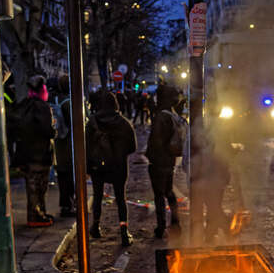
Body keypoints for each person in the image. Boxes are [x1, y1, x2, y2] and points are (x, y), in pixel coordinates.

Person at [86, 91, 137, 246]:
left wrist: (90, 165)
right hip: (118, 166)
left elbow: (86, 146)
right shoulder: (123, 123)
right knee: (121, 199)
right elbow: (132, 147)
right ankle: (123, 230)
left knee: (98, 196)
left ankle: (95, 225)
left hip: (97, 167)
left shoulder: (92, 122)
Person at [13, 75, 55, 227]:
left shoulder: (23, 105)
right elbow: (49, 132)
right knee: (39, 188)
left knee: (31, 187)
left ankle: (38, 213)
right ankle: (36, 216)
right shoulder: (43, 108)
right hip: (40, 155)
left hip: (25, 154)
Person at [145, 84, 185, 238]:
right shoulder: (172, 115)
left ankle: (161, 227)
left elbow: (156, 141)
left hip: (159, 161)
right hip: (169, 160)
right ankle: (176, 224)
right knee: (169, 192)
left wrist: (151, 155)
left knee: (159, 195)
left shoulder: (161, 116)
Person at [53, 75, 76, 217]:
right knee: (70, 176)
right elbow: (74, 125)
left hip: (59, 145)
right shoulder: (69, 103)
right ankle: (70, 205)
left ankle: (65, 205)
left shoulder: (55, 100)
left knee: (62, 176)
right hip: (69, 145)